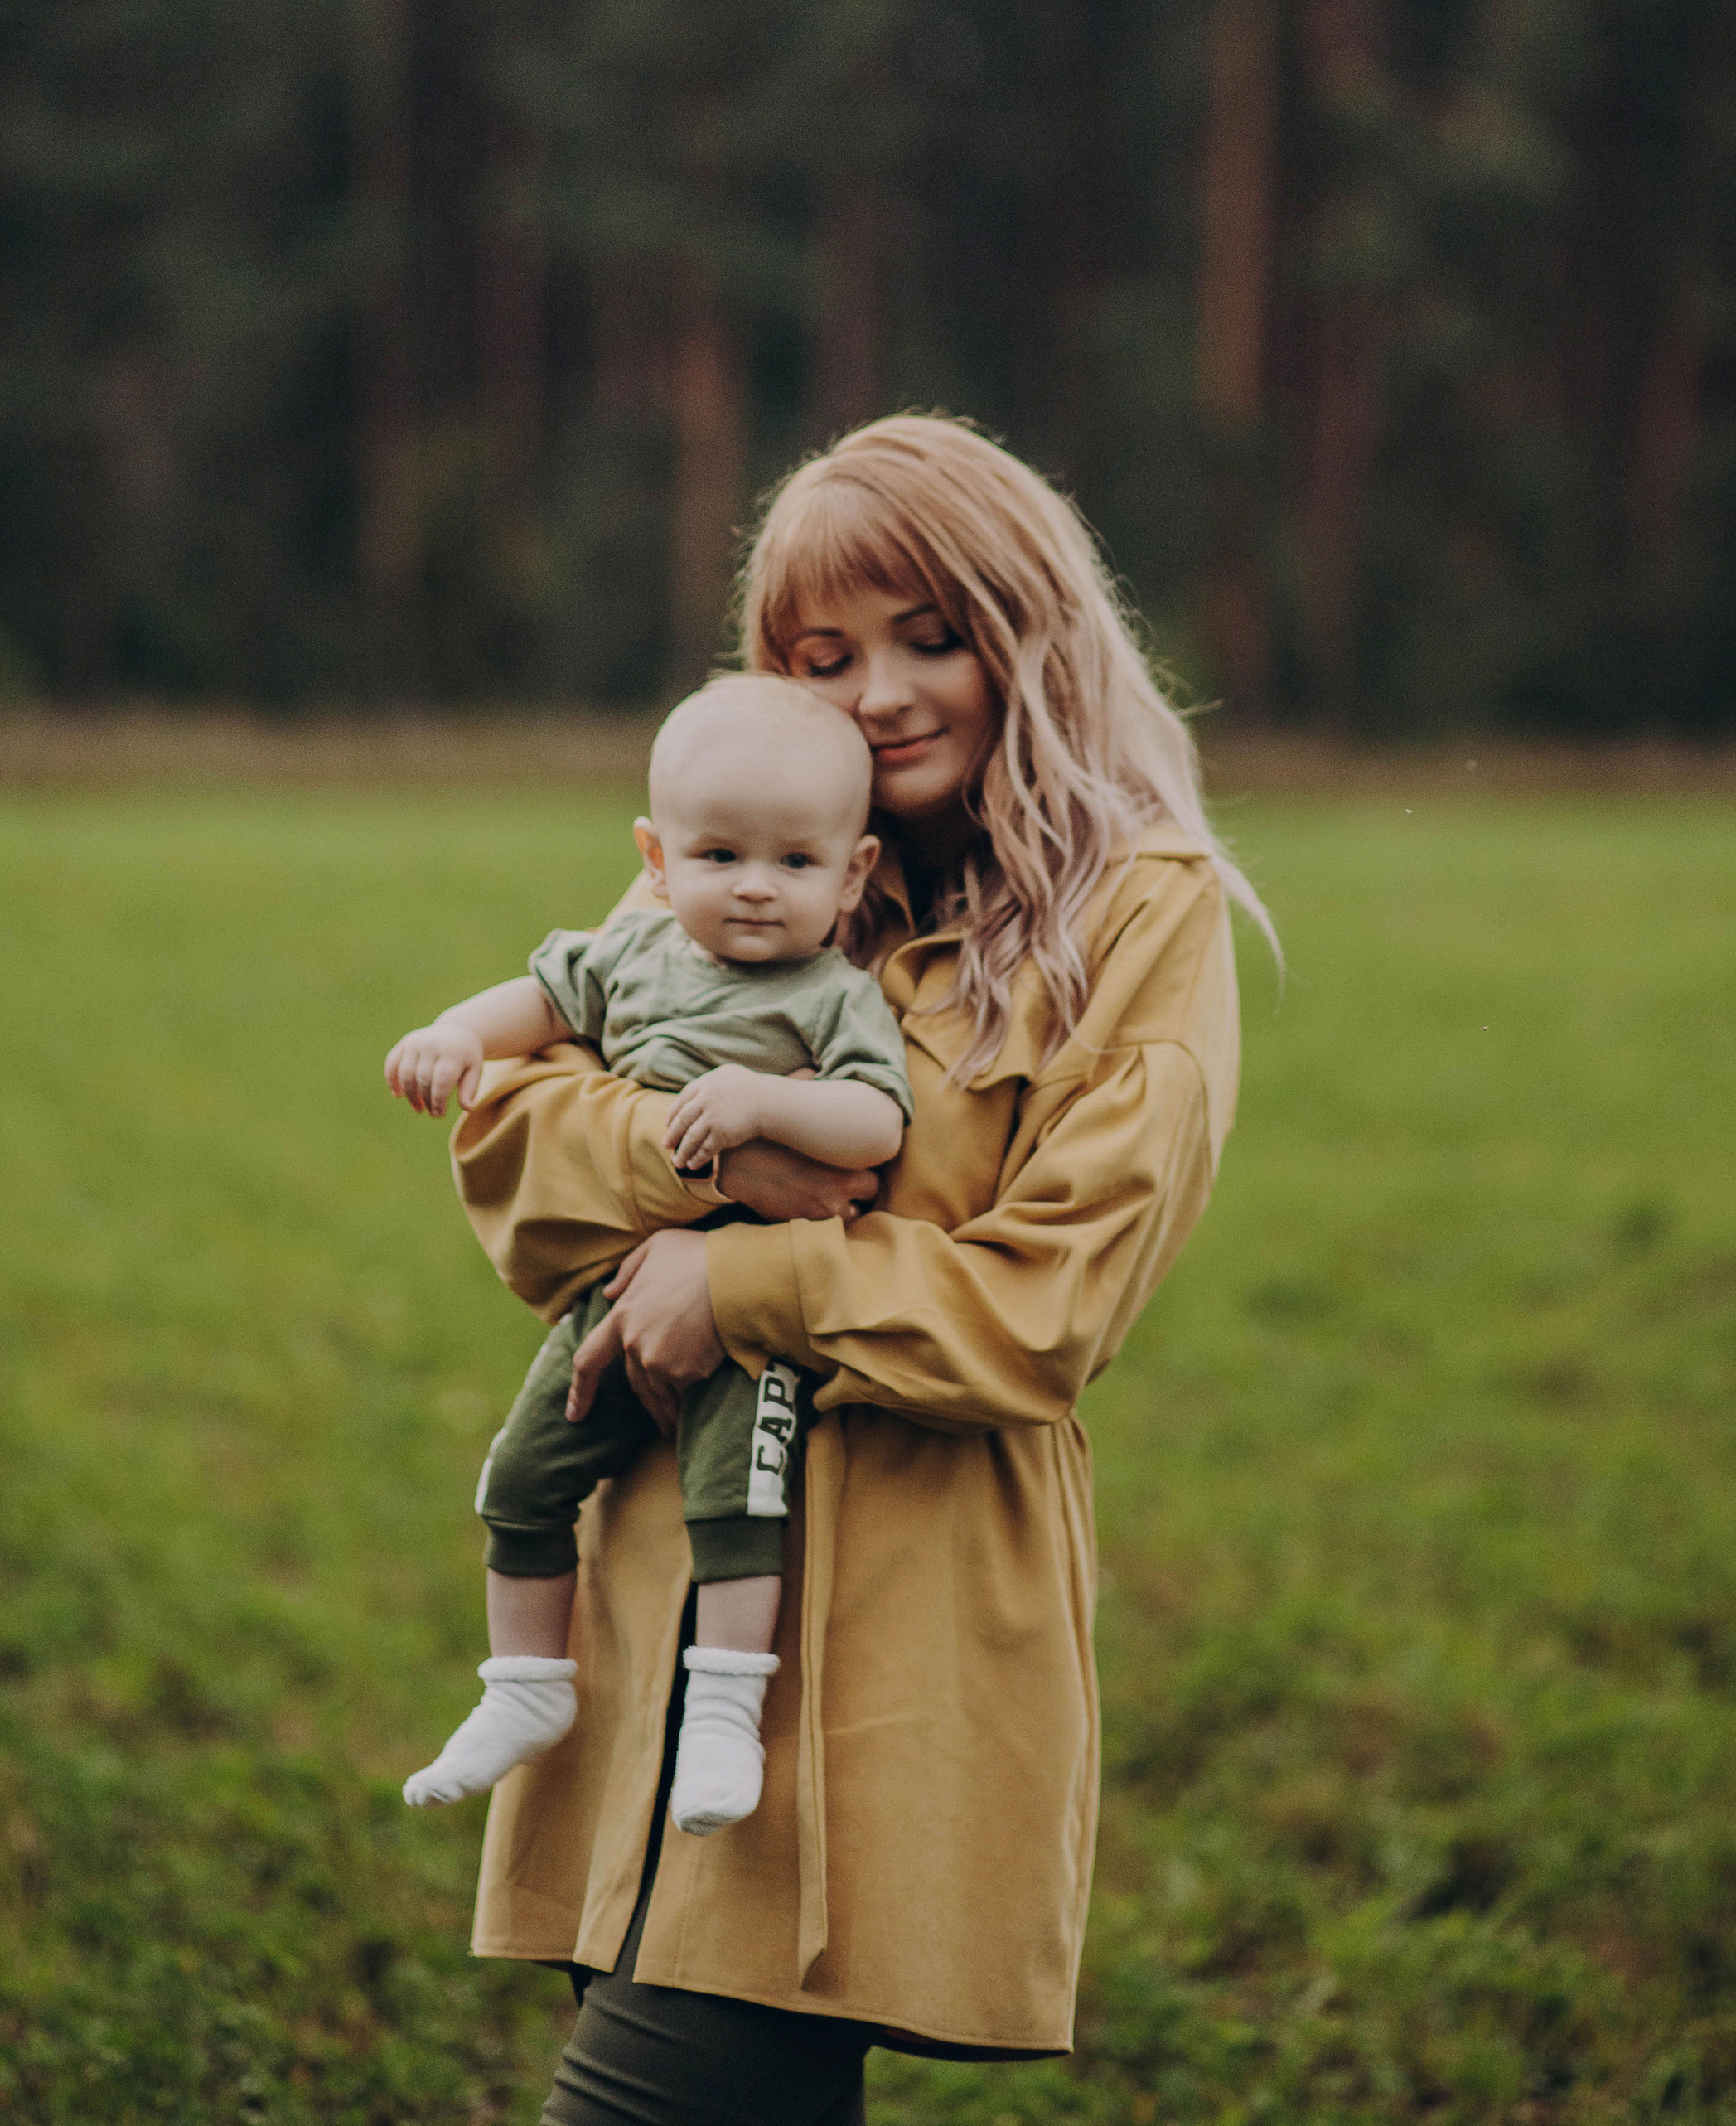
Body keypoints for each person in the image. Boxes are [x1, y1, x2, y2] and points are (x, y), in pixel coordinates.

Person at [443, 414, 1273, 2125]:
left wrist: (736, 1282)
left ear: (1029, 630)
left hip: (886, 1645)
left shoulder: (1142, 919)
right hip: (655, 1590)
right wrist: (712, 1172)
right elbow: (509, 1157)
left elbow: (1046, 1311)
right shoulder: (761, 855)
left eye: (931, 636)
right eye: (827, 654)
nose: (880, 693)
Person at [384, 676, 912, 1837]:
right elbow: (537, 1002)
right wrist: (454, 1035)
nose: (757, 887)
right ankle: (523, 1686)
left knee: (737, 1502)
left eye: (795, 862)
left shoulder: (835, 995)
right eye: (720, 854)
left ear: (854, 874)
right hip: (620, 1282)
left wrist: (763, 1102)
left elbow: (877, 1126)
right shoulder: (631, 952)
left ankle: (723, 1715)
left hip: (754, 1300)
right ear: (657, 858)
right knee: (522, 1479)